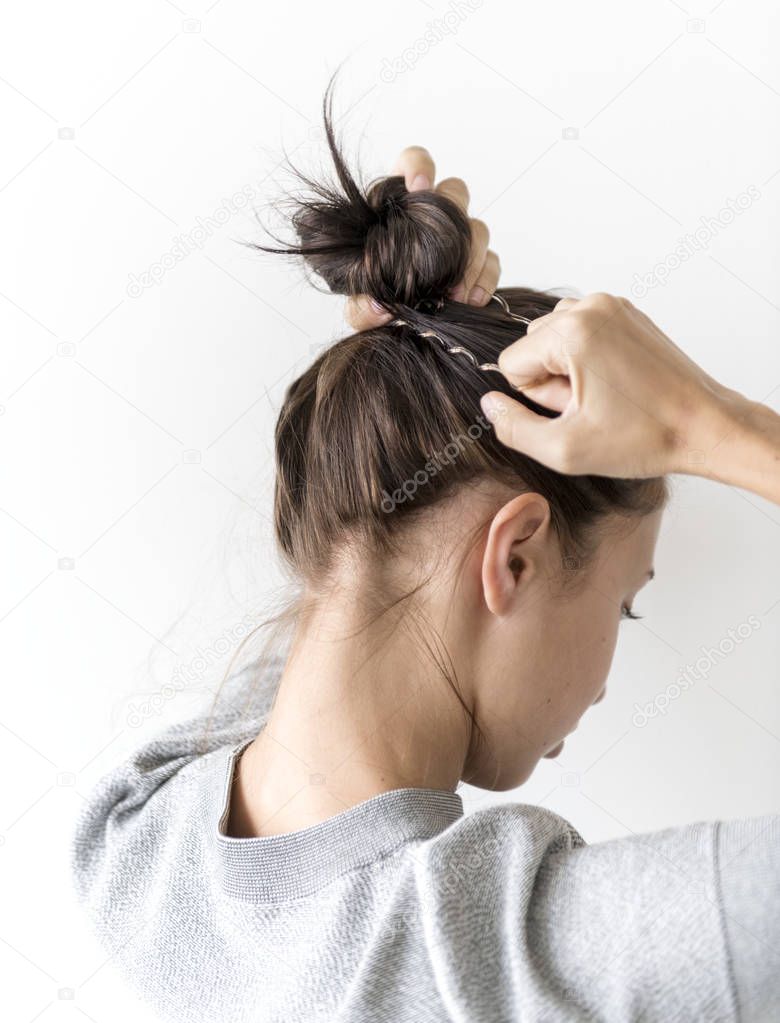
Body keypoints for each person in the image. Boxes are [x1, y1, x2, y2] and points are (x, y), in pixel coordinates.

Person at [71, 96, 780, 1023]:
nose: (610, 675)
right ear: (515, 556)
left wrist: (413, 343)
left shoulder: (130, 846)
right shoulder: (533, 960)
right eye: (625, 604)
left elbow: (353, 599)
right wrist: (716, 428)